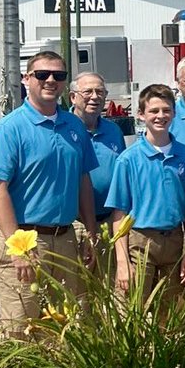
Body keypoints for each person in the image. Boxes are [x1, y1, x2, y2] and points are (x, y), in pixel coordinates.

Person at [0, 51, 99, 338]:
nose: (50, 80)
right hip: (25, 239)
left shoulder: (74, 127)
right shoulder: (10, 129)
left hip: (66, 238)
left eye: (58, 75)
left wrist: (92, 233)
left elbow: (83, 180)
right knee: (21, 325)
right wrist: (19, 248)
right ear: (27, 79)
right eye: (42, 75)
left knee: (65, 323)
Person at [105, 84, 185, 303]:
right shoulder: (129, 159)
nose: (160, 116)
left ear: (174, 113)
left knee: (171, 313)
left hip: (174, 240)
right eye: (154, 111)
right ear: (141, 115)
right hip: (140, 242)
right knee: (133, 310)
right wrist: (122, 261)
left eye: (166, 110)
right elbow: (119, 213)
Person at [69, 72, 126, 252]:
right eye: (88, 92)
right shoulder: (63, 129)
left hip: (110, 221)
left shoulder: (113, 130)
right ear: (72, 97)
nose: (94, 97)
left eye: (100, 92)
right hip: (76, 224)